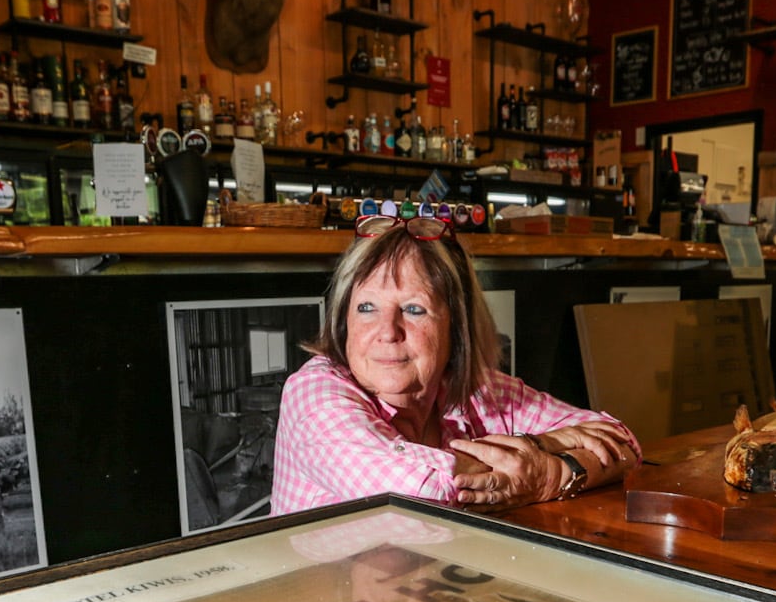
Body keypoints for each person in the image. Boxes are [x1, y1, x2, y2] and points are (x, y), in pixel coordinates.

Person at [271, 215, 640, 513]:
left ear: (456, 327)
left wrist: (552, 473)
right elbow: (418, 488)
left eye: (413, 309)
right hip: (321, 598)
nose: (387, 331)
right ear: (343, 320)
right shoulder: (313, 393)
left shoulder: (477, 390)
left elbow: (621, 443)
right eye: (366, 307)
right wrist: (539, 447)